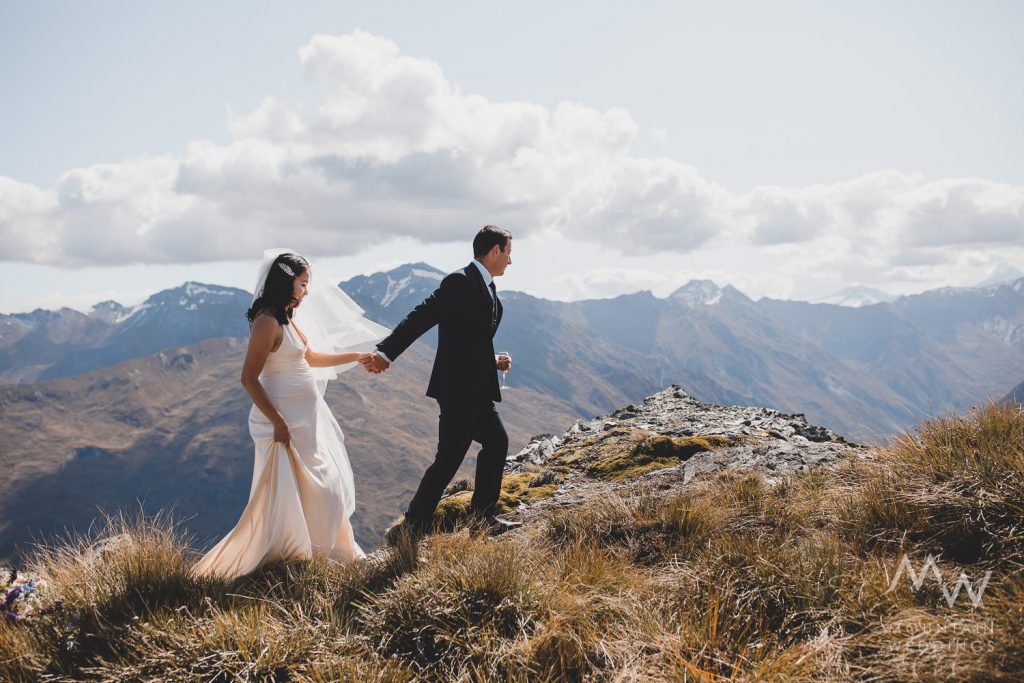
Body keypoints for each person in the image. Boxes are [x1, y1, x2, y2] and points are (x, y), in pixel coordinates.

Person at [194, 249, 389, 579]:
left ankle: (325, 554)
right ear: (286, 283)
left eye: (308, 284)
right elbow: (248, 378)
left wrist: (355, 356)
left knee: (323, 488)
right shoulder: (266, 323)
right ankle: (295, 555)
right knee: (292, 493)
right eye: (302, 283)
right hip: (283, 423)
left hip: (304, 422)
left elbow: (309, 358)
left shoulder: (287, 319)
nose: (306, 291)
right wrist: (278, 422)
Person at [362, 225, 521, 542]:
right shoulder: (460, 282)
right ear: (494, 251)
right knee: (449, 457)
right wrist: (386, 352)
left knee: (496, 442)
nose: (510, 261)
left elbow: (468, 342)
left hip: (478, 391)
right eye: (508, 253)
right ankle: (412, 527)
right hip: (458, 391)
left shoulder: (489, 291)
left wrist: (493, 361)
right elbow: (422, 315)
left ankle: (481, 519)